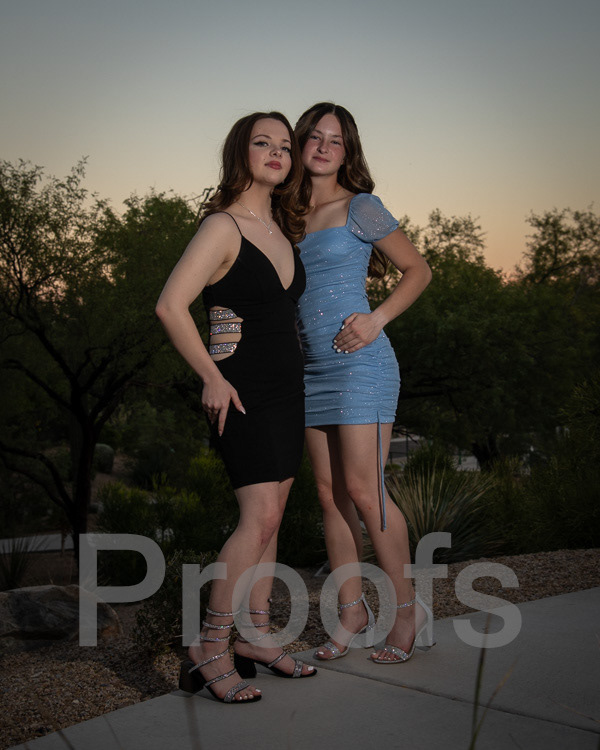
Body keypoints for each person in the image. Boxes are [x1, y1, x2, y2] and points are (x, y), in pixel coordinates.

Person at [156, 111, 316, 704]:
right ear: (239, 153)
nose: (276, 152)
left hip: (288, 391)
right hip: (241, 391)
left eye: (285, 146)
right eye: (262, 143)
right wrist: (212, 377)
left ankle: (256, 635)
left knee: (273, 517)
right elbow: (171, 305)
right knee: (259, 518)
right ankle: (209, 645)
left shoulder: (282, 229)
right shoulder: (222, 226)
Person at [294, 102, 433, 664]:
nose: (324, 147)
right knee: (329, 495)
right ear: (301, 143)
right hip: (310, 368)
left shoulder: (360, 206)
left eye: (336, 140)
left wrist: (377, 319)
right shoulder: (285, 214)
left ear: (347, 151)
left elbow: (418, 270)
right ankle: (352, 611)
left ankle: (407, 612)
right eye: (315, 136)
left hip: (361, 363)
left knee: (363, 489)